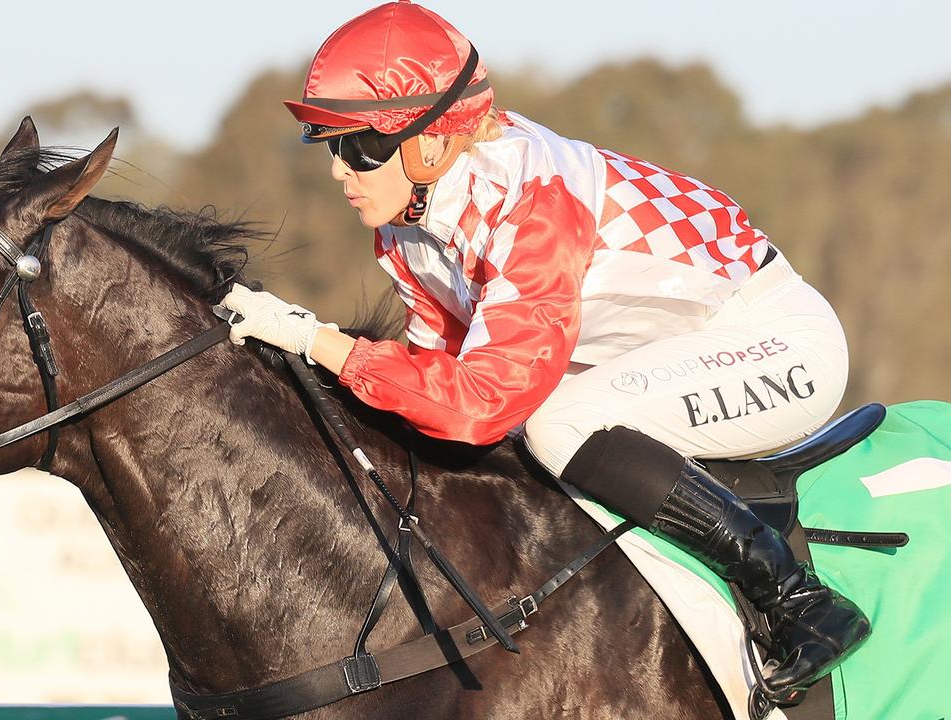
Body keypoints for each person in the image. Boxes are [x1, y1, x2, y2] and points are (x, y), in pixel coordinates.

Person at [219, 0, 868, 700]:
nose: (341, 169)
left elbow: (480, 405)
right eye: (330, 145)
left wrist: (314, 340)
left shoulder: (537, 202)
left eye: (359, 145)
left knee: (557, 425)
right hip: (664, 355)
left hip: (773, 342)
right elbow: (430, 386)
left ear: (431, 141)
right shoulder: (406, 228)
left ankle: (799, 599)